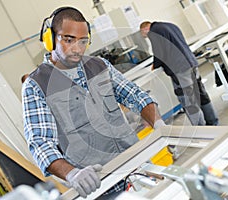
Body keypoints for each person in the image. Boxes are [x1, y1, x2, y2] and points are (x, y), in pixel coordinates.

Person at [22, 7, 165, 198]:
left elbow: (136, 95)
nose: (77, 48)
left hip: (137, 168)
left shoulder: (99, 65)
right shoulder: (37, 85)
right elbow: (41, 143)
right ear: (50, 39)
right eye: (68, 39)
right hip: (98, 186)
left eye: (83, 41)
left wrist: (159, 124)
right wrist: (72, 174)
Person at [140, 21, 219, 126]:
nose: (145, 36)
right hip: (191, 62)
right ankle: (213, 122)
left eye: (143, 34)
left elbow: (159, 53)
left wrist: (155, 65)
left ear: (145, 29)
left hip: (180, 69)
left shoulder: (154, 31)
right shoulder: (170, 25)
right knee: (201, 94)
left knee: (189, 100)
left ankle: (201, 129)